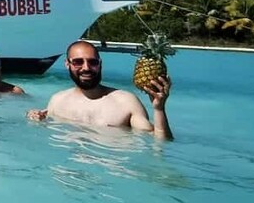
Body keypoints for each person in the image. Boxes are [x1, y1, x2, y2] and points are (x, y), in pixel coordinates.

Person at [27, 40, 174, 140]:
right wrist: (35, 117)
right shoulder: (58, 100)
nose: (86, 68)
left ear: (100, 64)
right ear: (67, 64)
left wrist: (159, 109)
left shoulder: (125, 102)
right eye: (78, 62)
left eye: (92, 62)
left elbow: (159, 143)